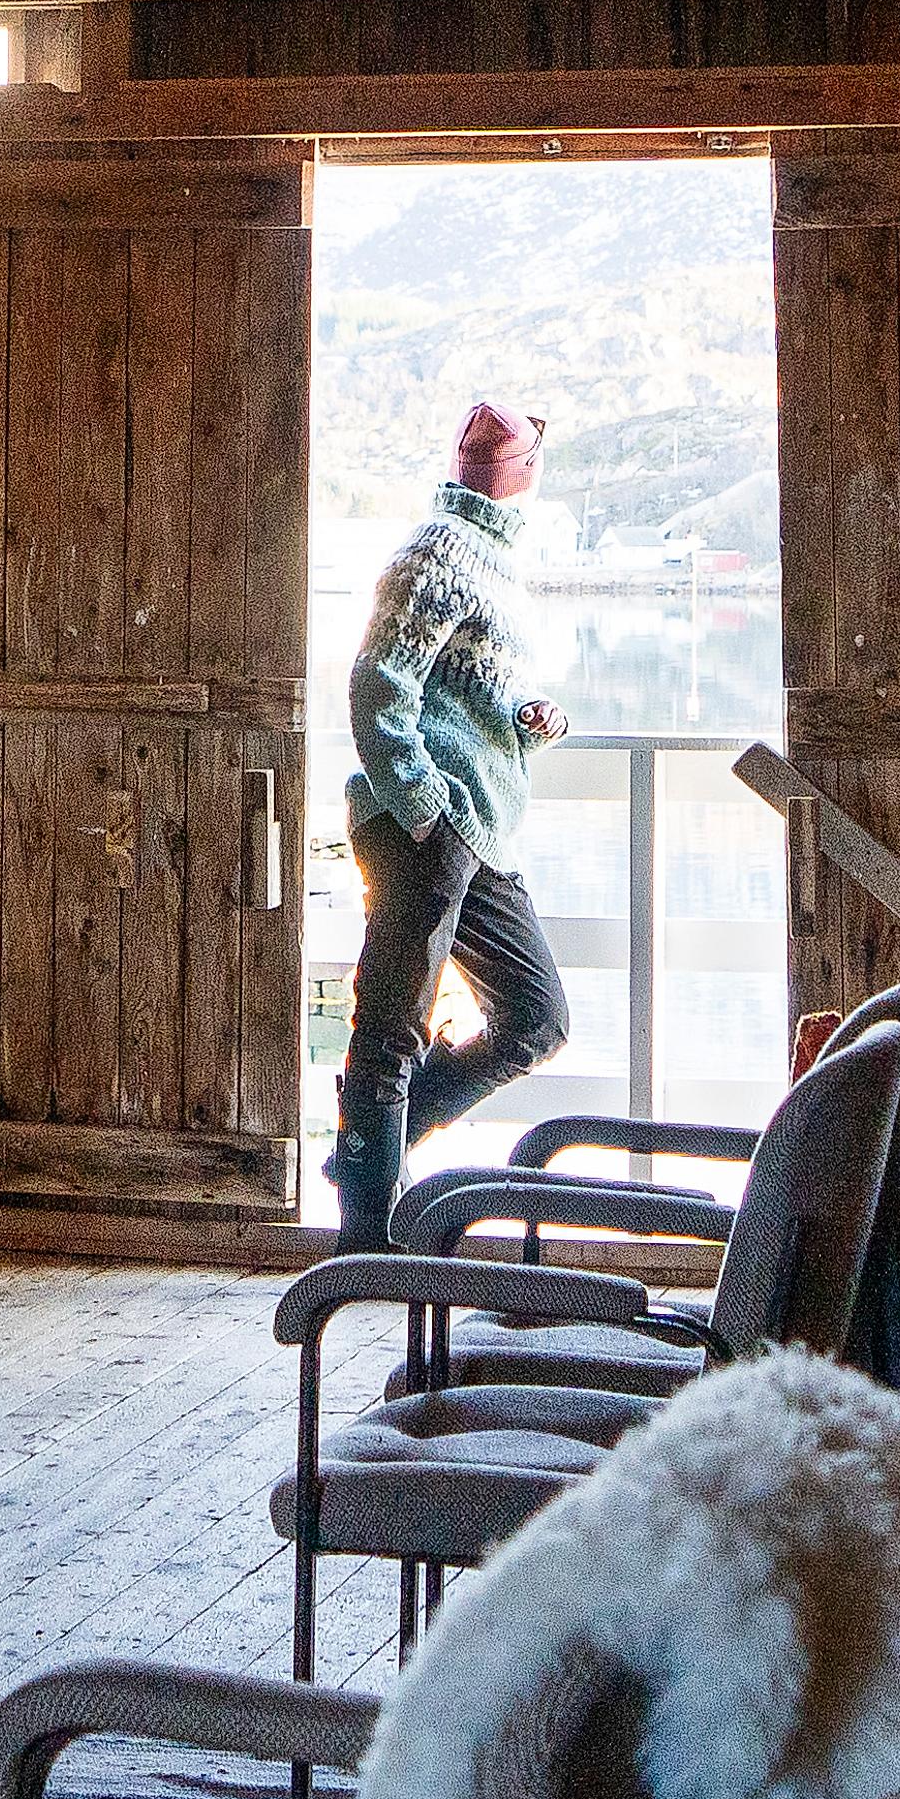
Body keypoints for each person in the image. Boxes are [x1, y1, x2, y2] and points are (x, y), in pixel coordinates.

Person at [333, 399, 573, 1249]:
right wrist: (424, 806)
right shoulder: (437, 550)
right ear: (526, 471)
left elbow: (455, 694)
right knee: (393, 1019)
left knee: (537, 1019)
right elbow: (378, 684)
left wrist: (523, 718)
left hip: (481, 830)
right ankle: (365, 1235)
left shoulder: (495, 563)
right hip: (427, 826)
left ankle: (367, 1149)